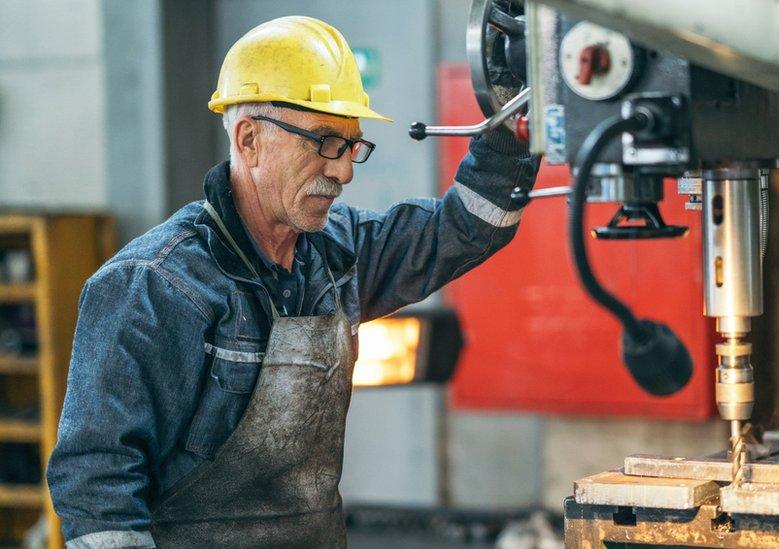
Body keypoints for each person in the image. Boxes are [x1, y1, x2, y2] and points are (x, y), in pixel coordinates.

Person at [47, 16, 538, 548]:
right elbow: (97, 483)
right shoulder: (153, 287)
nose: (345, 172)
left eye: (353, 146)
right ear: (249, 138)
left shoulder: (339, 253)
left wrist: (511, 109)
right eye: (325, 142)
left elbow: (465, 228)